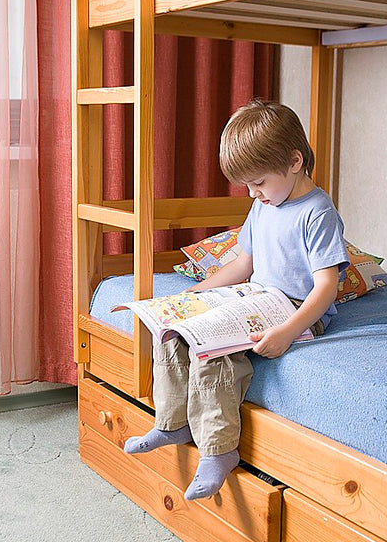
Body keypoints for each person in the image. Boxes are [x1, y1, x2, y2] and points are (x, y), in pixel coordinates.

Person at [123, 99, 350, 500]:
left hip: (296, 311)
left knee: (214, 352)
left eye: (259, 183)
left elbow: (325, 288)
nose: (254, 193)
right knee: (178, 331)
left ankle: (219, 450)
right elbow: (244, 262)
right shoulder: (262, 207)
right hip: (256, 298)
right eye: (248, 186)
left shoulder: (318, 212)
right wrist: (195, 293)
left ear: (295, 161)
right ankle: (173, 422)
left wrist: (287, 332)